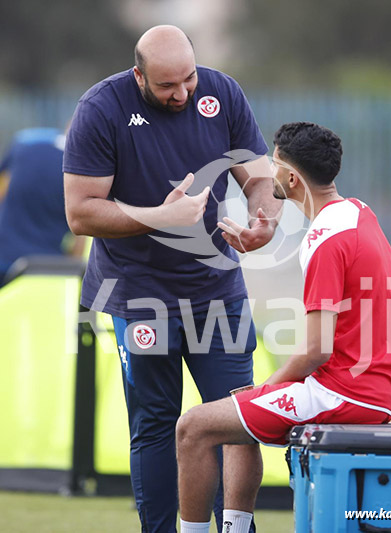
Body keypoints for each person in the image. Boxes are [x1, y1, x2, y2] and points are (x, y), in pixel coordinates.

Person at [63, 25, 281, 533]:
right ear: (138, 76)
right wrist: (160, 217)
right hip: (140, 295)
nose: (182, 93)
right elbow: (80, 213)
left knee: (237, 420)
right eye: (166, 85)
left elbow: (260, 178)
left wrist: (264, 220)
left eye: (189, 79)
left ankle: (237, 530)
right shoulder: (100, 109)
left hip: (217, 293)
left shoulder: (223, 92)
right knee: (156, 426)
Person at [176, 122, 391, 533]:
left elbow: (317, 349)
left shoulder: (324, 239)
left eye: (274, 163)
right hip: (377, 389)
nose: (269, 170)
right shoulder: (358, 212)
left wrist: (269, 386)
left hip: (346, 394)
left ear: (291, 179)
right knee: (234, 416)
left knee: (191, 427)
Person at [0, 127, 85, 287]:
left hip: (4, 260)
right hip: (49, 270)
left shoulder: (27, 140)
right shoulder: (85, 168)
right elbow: (81, 234)